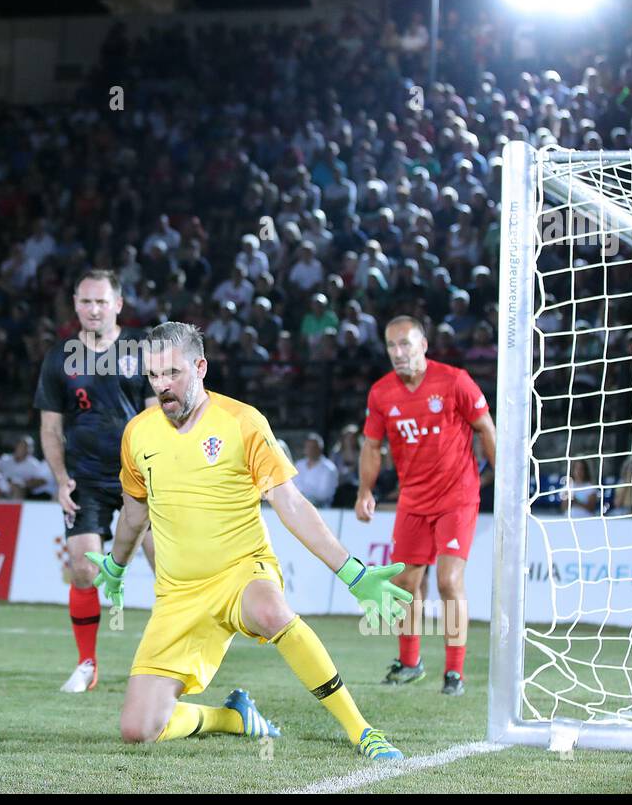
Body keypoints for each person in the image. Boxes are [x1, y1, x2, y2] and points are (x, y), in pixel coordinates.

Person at [84, 322, 407, 760]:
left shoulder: (242, 421)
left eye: (172, 373)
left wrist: (352, 572)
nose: (162, 386)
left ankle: (362, 730)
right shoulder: (138, 434)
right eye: (153, 375)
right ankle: (235, 718)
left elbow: (290, 503)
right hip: (178, 595)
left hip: (241, 571)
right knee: (139, 729)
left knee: (270, 610)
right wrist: (117, 566)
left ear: (200, 367)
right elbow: (135, 512)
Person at [356, 315, 496, 697]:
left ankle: (454, 672)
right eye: (391, 347)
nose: (398, 353)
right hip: (413, 501)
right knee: (404, 584)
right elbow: (372, 446)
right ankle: (410, 663)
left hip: (457, 496)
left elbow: (485, 427)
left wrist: (499, 479)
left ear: (424, 345)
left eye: (405, 344)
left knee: (448, 581)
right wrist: (364, 491)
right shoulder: (382, 393)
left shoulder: (454, 381)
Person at [35, 270, 158, 694]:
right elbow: (50, 427)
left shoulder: (142, 349)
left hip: (139, 479)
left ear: (118, 305)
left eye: (101, 302)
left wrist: (160, 472)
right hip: (84, 479)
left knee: (169, 571)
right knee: (84, 571)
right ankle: (87, 664)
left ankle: (168, 664)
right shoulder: (59, 357)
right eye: (86, 302)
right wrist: (61, 478)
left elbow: (157, 415)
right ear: (75, 304)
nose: (93, 309)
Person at [0, 434, 54, 499]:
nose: (24, 449)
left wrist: (18, 483)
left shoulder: (34, 464)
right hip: (0, 487)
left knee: (17, 488)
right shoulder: (4, 459)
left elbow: (36, 482)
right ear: (16, 446)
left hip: (20, 490)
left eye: (27, 447)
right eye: (22, 446)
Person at [293, 432, 339, 507]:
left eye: (313, 447)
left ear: (320, 449)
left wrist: (303, 491)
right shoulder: (299, 465)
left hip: (322, 509)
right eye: (308, 447)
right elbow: (293, 486)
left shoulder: (329, 468)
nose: (310, 450)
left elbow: (324, 494)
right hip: (297, 506)